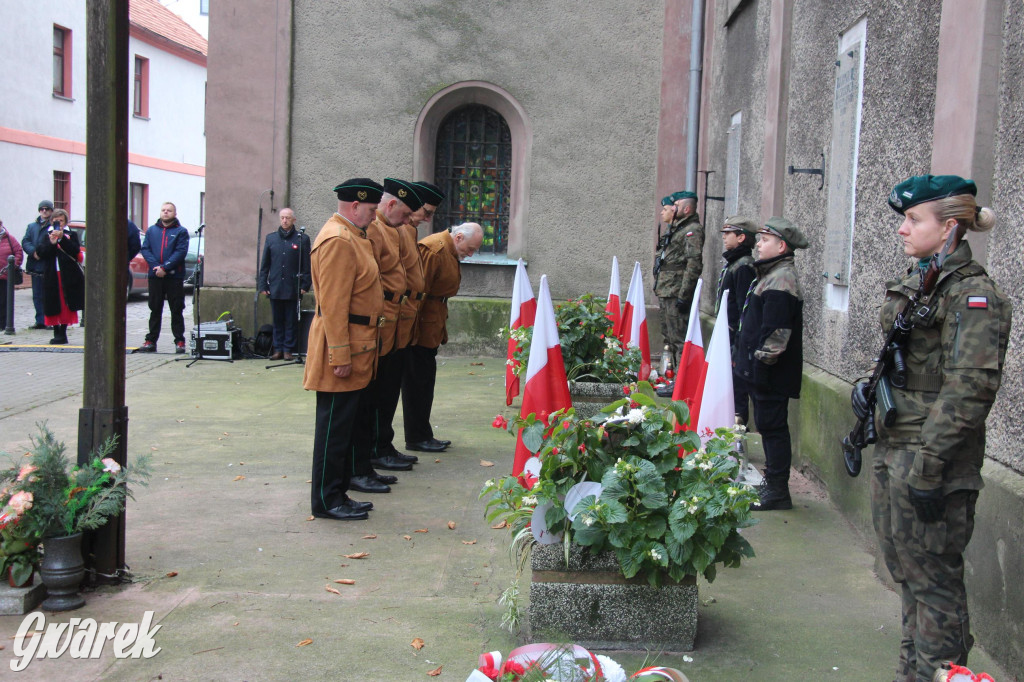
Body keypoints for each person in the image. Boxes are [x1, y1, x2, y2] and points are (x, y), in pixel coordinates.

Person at [870, 175, 1011, 682]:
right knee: (908, 578)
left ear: (949, 228)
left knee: (935, 586)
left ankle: (942, 674)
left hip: (931, 462)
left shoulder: (974, 296)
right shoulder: (924, 281)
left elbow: (970, 389)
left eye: (914, 220)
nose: (903, 230)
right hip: (896, 451)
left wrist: (928, 465)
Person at [302, 178, 385, 521]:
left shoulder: (353, 235)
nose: (375, 217)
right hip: (344, 348)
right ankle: (326, 500)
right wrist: (339, 355)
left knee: (344, 428)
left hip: (358, 345)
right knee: (334, 431)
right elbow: (334, 306)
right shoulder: (338, 240)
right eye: (370, 210)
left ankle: (337, 492)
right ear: (354, 207)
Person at [349, 178, 422, 491]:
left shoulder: (392, 228)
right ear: (390, 205)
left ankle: (377, 450)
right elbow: (371, 278)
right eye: (405, 214)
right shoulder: (372, 230)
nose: (409, 221)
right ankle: (366, 458)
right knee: (371, 396)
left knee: (385, 391)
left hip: (394, 318)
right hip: (376, 321)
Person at [733, 216, 807, 512]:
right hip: (760, 370)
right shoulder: (770, 274)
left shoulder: (782, 278)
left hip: (770, 373)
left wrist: (760, 369)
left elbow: (776, 333)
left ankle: (778, 490)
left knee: (774, 429)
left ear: (782, 245)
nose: (758, 244)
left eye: (764, 240)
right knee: (768, 427)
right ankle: (773, 484)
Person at [402, 221, 484, 453]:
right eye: (469, 249)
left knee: (425, 381)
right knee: (417, 382)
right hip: (420, 328)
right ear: (458, 237)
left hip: (431, 324)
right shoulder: (434, 249)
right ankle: (417, 437)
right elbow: (416, 293)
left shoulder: (447, 250)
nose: (470, 255)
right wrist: (412, 332)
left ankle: (422, 434)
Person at [653, 190, 704, 394]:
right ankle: (676, 380)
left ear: (687, 208)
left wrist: (685, 294)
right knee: (670, 337)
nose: (672, 209)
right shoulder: (678, 228)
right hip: (667, 289)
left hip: (677, 291)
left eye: (676, 206)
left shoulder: (692, 230)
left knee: (680, 339)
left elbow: (693, 264)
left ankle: (684, 384)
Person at [716, 216, 758, 426]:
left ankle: (737, 430)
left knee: (737, 387)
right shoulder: (734, 263)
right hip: (728, 334)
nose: (724, 237)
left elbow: (743, 308)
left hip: (735, 338)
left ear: (741, 237)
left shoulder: (743, 267)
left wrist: (738, 344)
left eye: (728, 233)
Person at [259, 207, 311, 360]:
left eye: (288, 218)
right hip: (275, 286)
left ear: (293, 220)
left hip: (293, 286)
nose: (284, 220)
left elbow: (306, 264)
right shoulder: (271, 239)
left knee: (291, 320)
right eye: (282, 217)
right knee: (277, 320)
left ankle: (288, 349)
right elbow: (265, 264)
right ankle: (278, 349)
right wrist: (263, 285)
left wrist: (304, 285)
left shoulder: (302, 239)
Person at [138, 202, 190, 353]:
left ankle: (179, 341)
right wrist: (156, 267)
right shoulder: (151, 231)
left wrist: (165, 267)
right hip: (155, 276)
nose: (166, 212)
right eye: (163, 210)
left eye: (169, 210)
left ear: (175, 213)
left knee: (176, 309)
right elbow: (146, 249)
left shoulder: (181, 232)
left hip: (173, 277)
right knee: (154, 308)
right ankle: (151, 340)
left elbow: (180, 252)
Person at [34, 209, 84, 345]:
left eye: (61, 220)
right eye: (56, 220)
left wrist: (62, 239)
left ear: (66, 221)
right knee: (52, 302)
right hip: (51, 274)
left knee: (66, 303)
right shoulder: (46, 235)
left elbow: (75, 251)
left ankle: (63, 333)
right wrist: (52, 242)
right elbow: (41, 253)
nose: (59, 223)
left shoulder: (71, 234)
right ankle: (56, 332)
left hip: (68, 274)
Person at [22, 200, 54, 329]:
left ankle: (49, 320)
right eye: (42, 209)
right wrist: (33, 252)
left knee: (49, 294)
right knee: (37, 295)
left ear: (51, 210)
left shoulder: (53, 225)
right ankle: (40, 320)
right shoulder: (32, 226)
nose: (44, 211)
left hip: (48, 264)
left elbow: (52, 243)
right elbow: (25, 241)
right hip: (35, 265)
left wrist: (41, 252)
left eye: (47, 209)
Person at [0, 219, 25, 330]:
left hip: (5, 276)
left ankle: (4, 324)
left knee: (4, 301)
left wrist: (13, 265)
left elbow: (18, 251)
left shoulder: (10, 239)